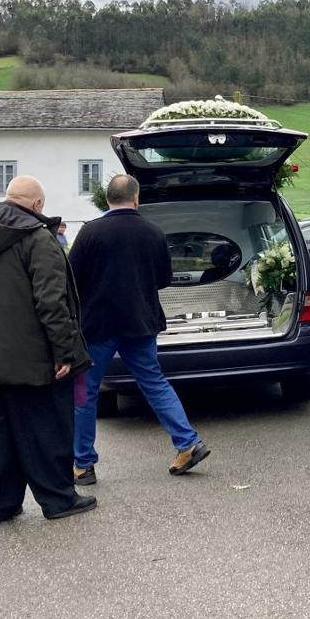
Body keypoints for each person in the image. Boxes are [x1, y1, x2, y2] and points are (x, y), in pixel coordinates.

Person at [0, 175, 94, 524]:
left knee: (0, 433)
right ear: (38, 205)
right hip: (32, 357)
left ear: (7, 197)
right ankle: (58, 500)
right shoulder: (38, 239)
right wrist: (64, 352)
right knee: (48, 429)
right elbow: (52, 302)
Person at [69, 175, 210, 484]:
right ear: (136, 199)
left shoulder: (90, 232)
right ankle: (188, 443)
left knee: (84, 392)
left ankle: (82, 464)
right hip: (140, 323)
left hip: (98, 327)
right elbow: (162, 279)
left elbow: (72, 279)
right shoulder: (154, 233)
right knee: (155, 383)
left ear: (107, 200)